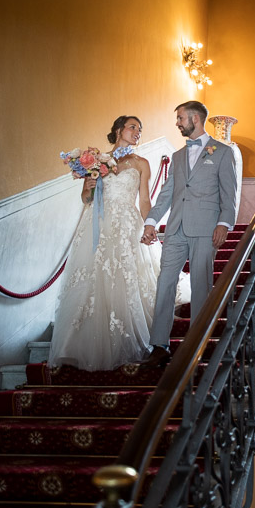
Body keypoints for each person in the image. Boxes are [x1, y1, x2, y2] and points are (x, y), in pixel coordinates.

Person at [48, 116, 187, 371]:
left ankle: (131, 338)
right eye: (133, 127)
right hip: (97, 225)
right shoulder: (98, 160)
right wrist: (88, 186)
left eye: (140, 129)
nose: (137, 132)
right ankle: (83, 344)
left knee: (126, 278)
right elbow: (87, 199)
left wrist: (150, 224)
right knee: (93, 279)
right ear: (118, 130)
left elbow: (144, 200)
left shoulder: (142, 163)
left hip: (126, 224)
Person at [140, 101, 239, 369]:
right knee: (164, 284)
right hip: (175, 229)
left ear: (195, 118)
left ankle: (197, 343)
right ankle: (159, 345)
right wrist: (151, 222)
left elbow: (230, 194)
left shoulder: (223, 152)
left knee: (201, 286)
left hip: (206, 229)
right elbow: (166, 193)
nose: (177, 123)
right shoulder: (178, 156)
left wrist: (224, 224)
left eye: (181, 118)